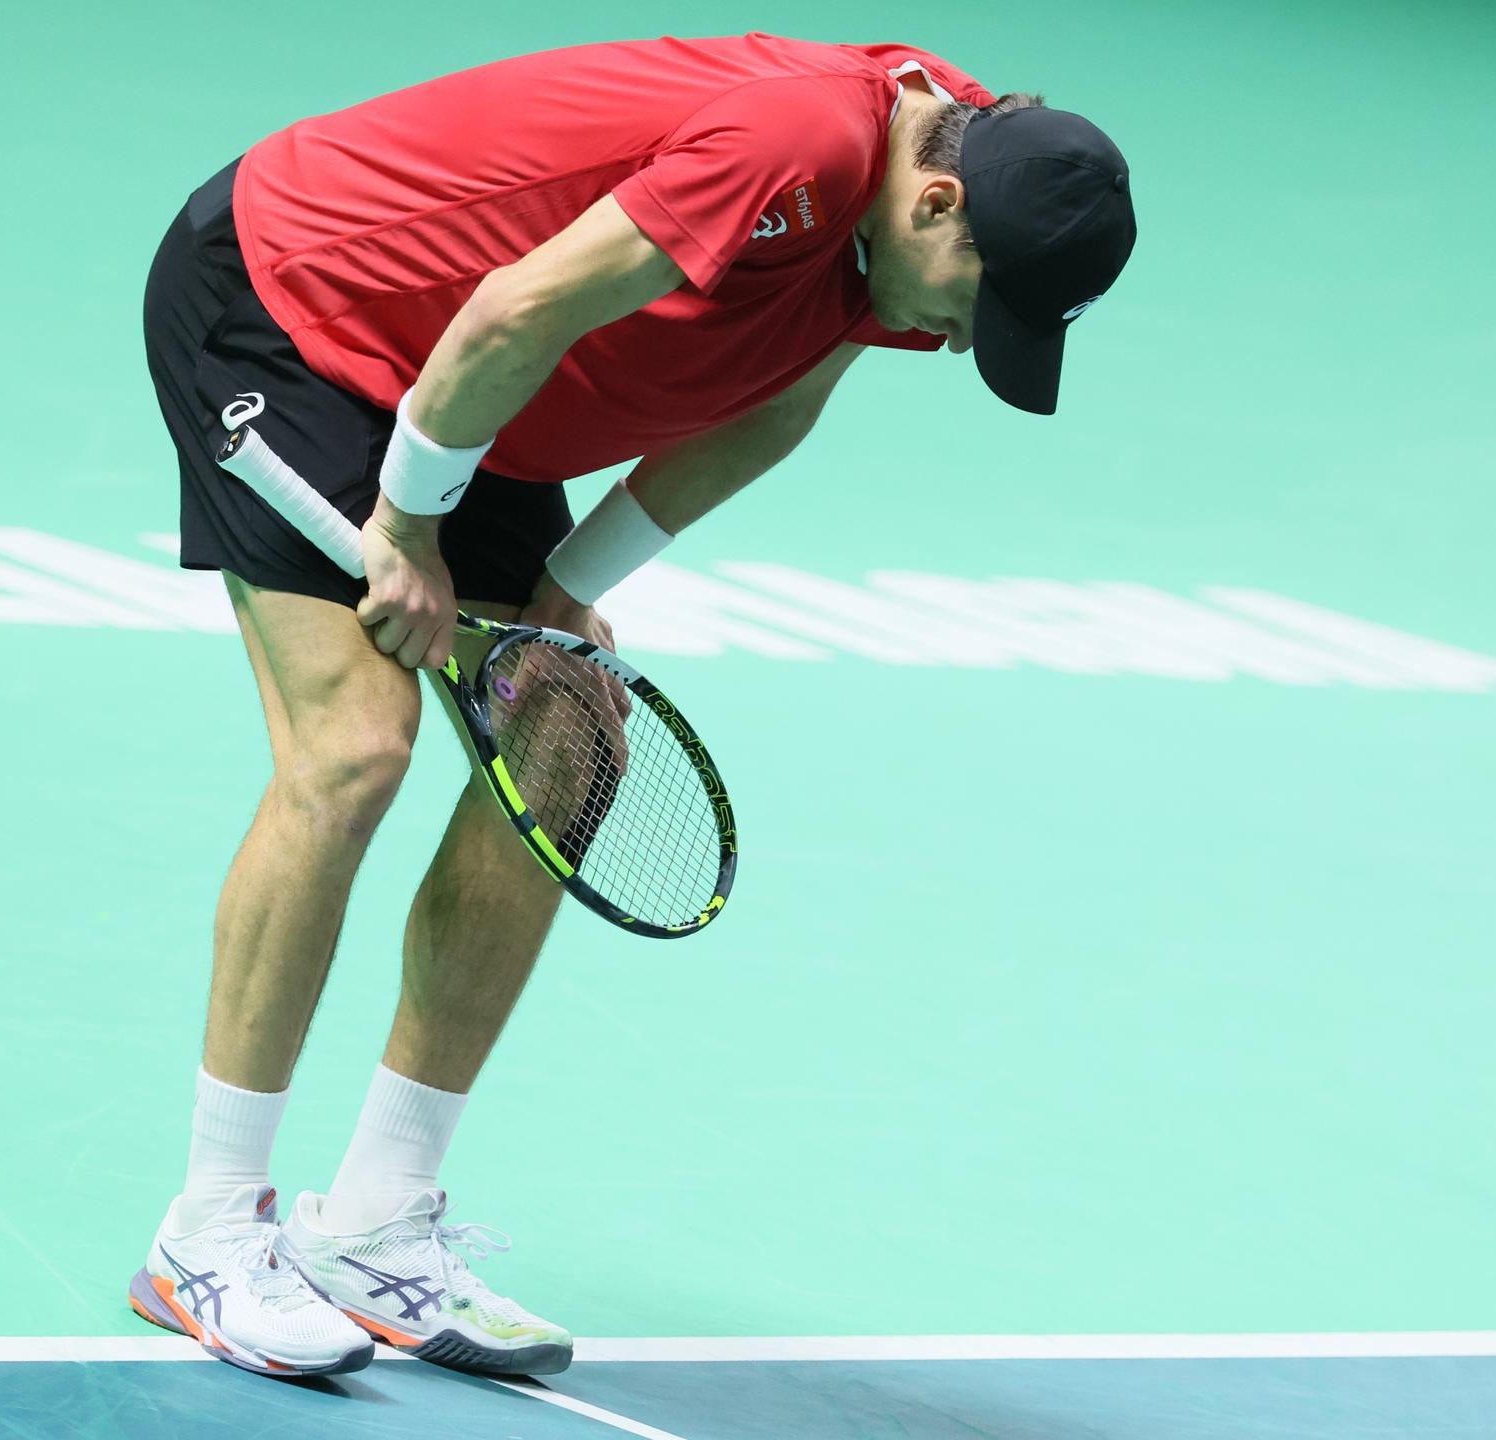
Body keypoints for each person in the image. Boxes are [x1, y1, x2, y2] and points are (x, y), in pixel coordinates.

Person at [132, 32, 1136, 1380]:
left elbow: (773, 403)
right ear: (936, 206)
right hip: (305, 302)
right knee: (355, 751)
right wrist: (413, 536)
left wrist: (564, 583)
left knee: (565, 744)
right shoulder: (801, 148)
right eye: (980, 303)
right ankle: (204, 1229)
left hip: (480, 391)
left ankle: (372, 1221)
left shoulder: (939, 196)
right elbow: (504, 315)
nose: (965, 339)